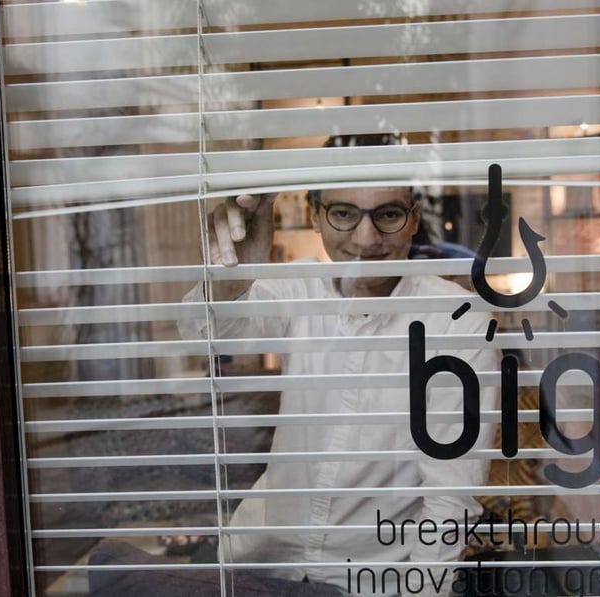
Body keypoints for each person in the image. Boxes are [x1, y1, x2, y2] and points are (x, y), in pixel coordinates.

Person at [179, 135, 496, 597]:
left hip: (372, 584)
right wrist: (232, 281)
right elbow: (207, 334)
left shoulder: (456, 320)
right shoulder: (298, 288)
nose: (366, 240)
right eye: (344, 213)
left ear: (413, 219)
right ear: (315, 215)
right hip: (259, 564)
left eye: (388, 214)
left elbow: (450, 497)